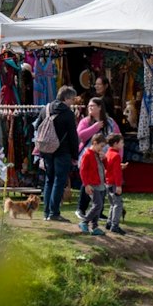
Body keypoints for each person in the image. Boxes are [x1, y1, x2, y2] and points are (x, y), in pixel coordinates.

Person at [38, 86, 80, 223]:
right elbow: (73, 136)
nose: (73, 102)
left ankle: (46, 212)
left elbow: (37, 127)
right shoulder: (68, 113)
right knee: (59, 180)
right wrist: (75, 155)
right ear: (66, 98)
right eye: (72, 99)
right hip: (63, 151)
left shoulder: (46, 109)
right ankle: (54, 212)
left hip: (47, 150)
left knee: (49, 180)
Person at [77, 131, 108, 235]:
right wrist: (86, 184)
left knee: (99, 206)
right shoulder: (87, 155)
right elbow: (82, 170)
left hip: (101, 184)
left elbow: (105, 167)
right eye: (101, 146)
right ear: (94, 143)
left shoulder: (97, 155)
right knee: (97, 205)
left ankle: (94, 227)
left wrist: (104, 159)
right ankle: (84, 222)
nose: (102, 148)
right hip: (93, 184)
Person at [103, 133, 127, 235]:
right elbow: (117, 173)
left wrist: (119, 166)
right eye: (122, 142)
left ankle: (109, 222)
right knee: (118, 204)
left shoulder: (108, 153)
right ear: (116, 143)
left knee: (112, 204)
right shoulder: (117, 156)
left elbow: (110, 167)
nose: (123, 144)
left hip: (108, 182)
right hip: (114, 183)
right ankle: (115, 225)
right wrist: (118, 185)